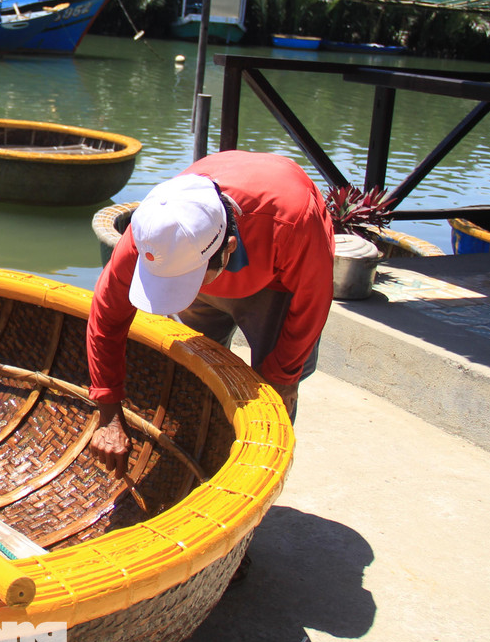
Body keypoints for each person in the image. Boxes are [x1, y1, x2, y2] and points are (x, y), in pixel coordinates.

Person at [86, 150, 335, 478]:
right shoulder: (154, 232)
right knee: (196, 375)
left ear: (229, 247)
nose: (175, 296)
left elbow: (312, 302)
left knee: (274, 392)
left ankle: (256, 478)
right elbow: (106, 318)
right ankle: (200, 464)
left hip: (277, 280)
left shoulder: (294, 221)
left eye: (184, 282)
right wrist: (108, 414)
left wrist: (284, 376)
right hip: (210, 259)